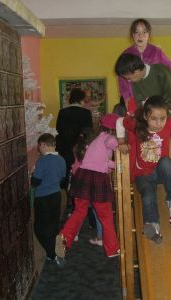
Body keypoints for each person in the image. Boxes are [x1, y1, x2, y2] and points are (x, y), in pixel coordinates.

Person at [116, 96, 171, 244]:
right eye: (154, 119)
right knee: (148, 196)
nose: (159, 124)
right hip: (143, 174)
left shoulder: (168, 124)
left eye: (163, 119)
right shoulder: (138, 126)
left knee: (166, 162)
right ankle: (152, 226)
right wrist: (121, 142)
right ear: (145, 116)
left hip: (161, 172)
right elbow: (119, 122)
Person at [55, 114, 121, 261]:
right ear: (114, 129)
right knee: (105, 215)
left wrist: (116, 165)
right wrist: (121, 146)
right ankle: (112, 248)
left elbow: (100, 161)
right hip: (97, 178)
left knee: (79, 211)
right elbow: (112, 143)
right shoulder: (107, 137)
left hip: (83, 175)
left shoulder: (97, 140)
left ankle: (63, 238)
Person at [114, 53, 171, 168]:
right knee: (156, 142)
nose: (129, 81)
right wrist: (143, 120)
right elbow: (140, 104)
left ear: (137, 71)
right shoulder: (136, 82)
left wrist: (161, 119)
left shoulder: (161, 71)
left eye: (129, 77)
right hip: (157, 115)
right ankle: (161, 171)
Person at [118, 18, 171, 110]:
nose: (140, 36)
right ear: (132, 35)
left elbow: (169, 67)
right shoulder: (126, 54)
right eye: (137, 32)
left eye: (144, 32)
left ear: (149, 35)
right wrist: (126, 96)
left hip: (155, 97)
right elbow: (121, 77)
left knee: (155, 122)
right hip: (134, 98)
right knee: (137, 123)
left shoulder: (156, 52)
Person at [31, 133, 66, 266]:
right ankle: (58, 248)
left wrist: (33, 175)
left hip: (43, 197)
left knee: (39, 228)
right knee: (53, 225)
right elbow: (62, 177)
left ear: (44, 145)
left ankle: (52, 254)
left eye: (39, 146)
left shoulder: (42, 161)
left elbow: (36, 181)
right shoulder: (61, 159)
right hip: (56, 195)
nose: (39, 149)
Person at [55, 88, 93, 190]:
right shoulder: (86, 113)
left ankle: (68, 197)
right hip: (80, 148)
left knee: (67, 171)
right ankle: (80, 197)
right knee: (81, 171)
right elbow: (88, 132)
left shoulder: (62, 112)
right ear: (81, 99)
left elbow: (58, 130)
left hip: (65, 147)